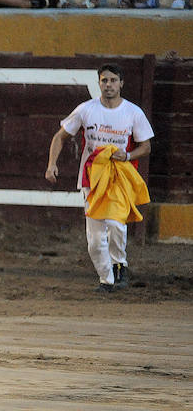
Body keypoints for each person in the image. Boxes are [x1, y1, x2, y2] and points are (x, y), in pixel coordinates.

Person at [45, 64, 153, 292]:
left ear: (121, 83)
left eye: (113, 80)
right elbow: (60, 136)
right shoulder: (86, 109)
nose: (109, 85)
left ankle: (119, 266)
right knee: (94, 238)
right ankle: (106, 278)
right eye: (104, 80)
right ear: (99, 83)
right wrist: (51, 164)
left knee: (115, 224)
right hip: (91, 179)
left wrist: (129, 155)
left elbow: (146, 147)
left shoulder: (133, 112)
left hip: (119, 177)